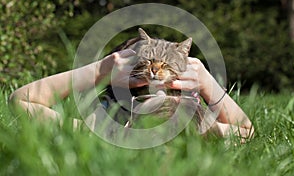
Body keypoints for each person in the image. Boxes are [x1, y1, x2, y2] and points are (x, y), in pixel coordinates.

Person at [9, 49, 254, 141]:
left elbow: (21, 100)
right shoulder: (109, 132)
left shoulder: (108, 133)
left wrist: (99, 70)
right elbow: (247, 131)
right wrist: (98, 70)